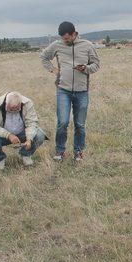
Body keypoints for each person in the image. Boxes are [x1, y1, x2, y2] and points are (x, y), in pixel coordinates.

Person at [40, 21, 100, 162]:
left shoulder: (87, 45)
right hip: (63, 90)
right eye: (62, 38)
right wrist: (53, 69)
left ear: (74, 34)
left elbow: (96, 64)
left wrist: (85, 68)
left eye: (67, 38)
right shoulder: (57, 45)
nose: (64, 40)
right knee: (62, 122)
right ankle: (60, 151)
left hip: (82, 91)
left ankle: (78, 152)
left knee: (79, 124)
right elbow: (43, 57)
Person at [0, 92, 48, 171]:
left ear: (20, 104)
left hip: (22, 133)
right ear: (6, 103)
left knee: (40, 135)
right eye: (10, 109)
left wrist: (29, 139)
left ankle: (25, 154)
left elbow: (32, 123)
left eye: (17, 109)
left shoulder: (27, 103)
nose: (13, 111)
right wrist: (9, 135)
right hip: (2, 135)